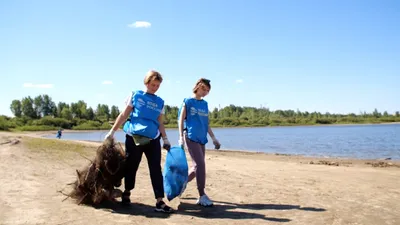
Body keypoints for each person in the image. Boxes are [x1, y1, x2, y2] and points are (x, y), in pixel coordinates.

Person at [104, 70, 173, 213]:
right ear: (146, 83)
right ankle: (127, 192)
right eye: (153, 85)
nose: (155, 88)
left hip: (153, 138)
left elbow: (160, 123)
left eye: (157, 86)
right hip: (134, 137)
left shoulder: (160, 102)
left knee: (155, 168)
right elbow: (124, 115)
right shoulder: (135, 95)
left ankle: (159, 201)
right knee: (131, 166)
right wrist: (112, 132)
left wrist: (165, 139)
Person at [178, 78, 221, 207]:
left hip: (202, 138)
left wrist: (214, 138)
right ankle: (202, 195)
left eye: (208, 91)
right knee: (200, 165)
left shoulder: (204, 104)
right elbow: (180, 120)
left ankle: (181, 183)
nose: (205, 92)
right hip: (190, 137)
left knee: (197, 167)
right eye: (204, 89)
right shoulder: (187, 102)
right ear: (197, 87)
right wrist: (180, 136)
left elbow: (206, 123)